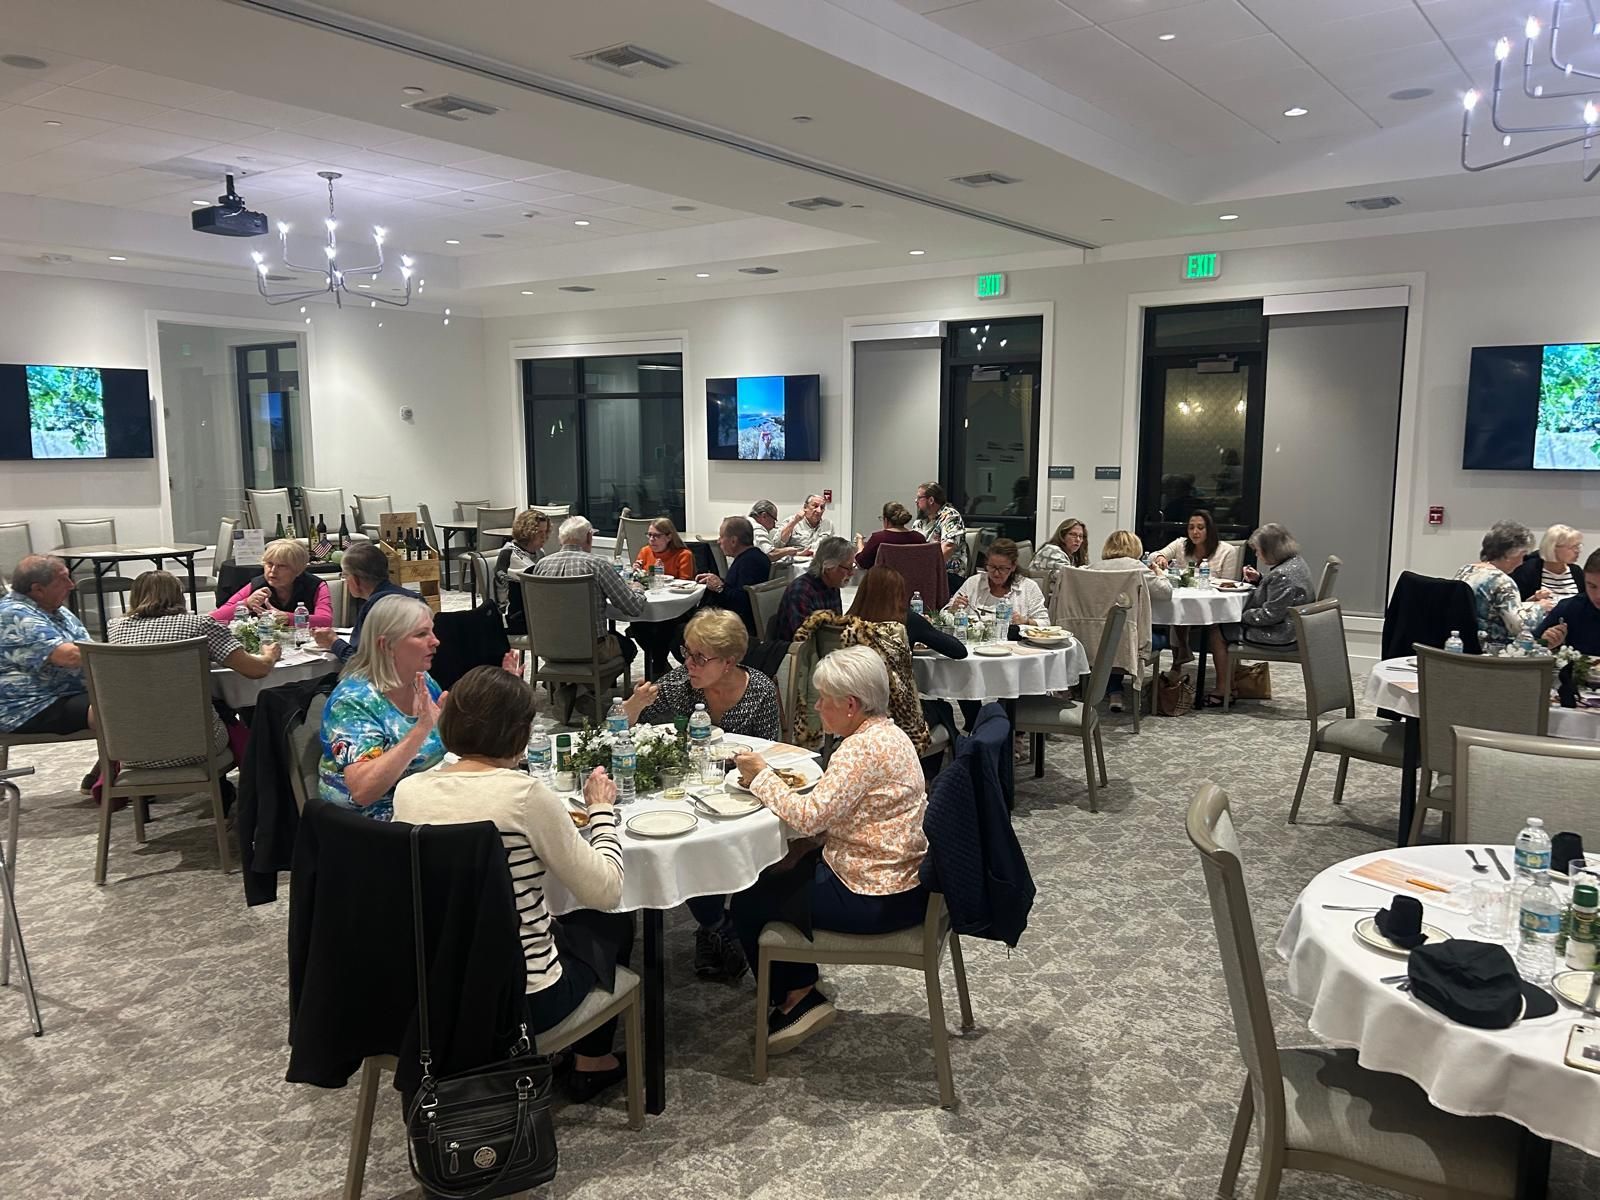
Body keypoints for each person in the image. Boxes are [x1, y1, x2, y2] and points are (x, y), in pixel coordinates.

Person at [393, 666, 632, 1101]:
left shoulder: (409, 792)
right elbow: (607, 890)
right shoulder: (524, 796)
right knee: (610, 921)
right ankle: (592, 1060)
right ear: (522, 735)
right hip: (521, 1002)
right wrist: (601, 811)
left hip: (432, 993)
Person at [728, 647, 929, 1054]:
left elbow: (809, 817)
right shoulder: (889, 733)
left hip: (875, 892)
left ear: (851, 705)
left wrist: (761, 777)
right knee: (779, 872)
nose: (817, 707)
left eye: (823, 699)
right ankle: (799, 979)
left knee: (748, 899)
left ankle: (798, 997)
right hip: (898, 872)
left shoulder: (859, 750)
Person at [619, 608, 782, 980]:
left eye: (699, 657)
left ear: (728, 662)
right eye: (686, 652)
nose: (687, 663)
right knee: (682, 841)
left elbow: (768, 754)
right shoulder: (678, 685)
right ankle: (717, 926)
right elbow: (620, 733)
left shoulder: (758, 690)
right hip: (686, 791)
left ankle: (720, 925)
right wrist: (634, 705)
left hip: (740, 795)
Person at [109, 570, 281, 767]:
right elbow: (255, 670)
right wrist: (270, 654)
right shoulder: (198, 625)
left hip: (130, 749)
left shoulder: (115, 628)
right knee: (226, 712)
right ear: (178, 595)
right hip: (197, 745)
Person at [318, 595, 449, 821]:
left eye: (432, 631)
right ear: (386, 645)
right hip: (373, 824)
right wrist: (421, 729)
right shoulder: (354, 701)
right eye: (421, 634)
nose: (435, 641)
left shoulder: (422, 680)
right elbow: (363, 791)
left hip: (424, 801)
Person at [848, 564, 965, 749]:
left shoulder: (847, 624)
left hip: (852, 712)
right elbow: (958, 651)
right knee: (943, 708)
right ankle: (928, 772)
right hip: (897, 716)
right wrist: (927, 629)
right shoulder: (906, 621)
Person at [1211, 524, 1314, 707]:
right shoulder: (1296, 563)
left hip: (1283, 633)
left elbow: (1269, 615)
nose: (1257, 555)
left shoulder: (1282, 575)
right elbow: (1280, 597)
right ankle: (1231, 684)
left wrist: (1239, 615)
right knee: (1226, 627)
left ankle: (1223, 689)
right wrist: (1260, 579)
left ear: (1270, 550)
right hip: (1296, 628)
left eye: (1258, 551)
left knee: (1218, 631)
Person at [0, 555, 94, 740]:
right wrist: (122, 659)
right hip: (30, 705)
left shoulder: (55, 609)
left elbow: (88, 649)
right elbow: (71, 656)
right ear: (38, 589)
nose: (71, 585)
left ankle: (110, 766)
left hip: (65, 694)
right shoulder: (14, 614)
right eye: (63, 579)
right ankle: (121, 765)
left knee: (127, 697)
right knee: (117, 710)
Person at [533, 515, 645, 670]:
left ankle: (569, 687)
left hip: (549, 648)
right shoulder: (597, 565)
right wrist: (638, 589)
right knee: (628, 647)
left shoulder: (541, 566)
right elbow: (632, 608)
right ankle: (585, 689)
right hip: (591, 648)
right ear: (589, 537)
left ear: (561, 539)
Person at [1089, 530, 1173, 712]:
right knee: (1162, 638)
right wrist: (1159, 572)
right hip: (1130, 643)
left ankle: (1114, 690)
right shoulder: (1137, 568)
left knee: (1112, 636)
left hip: (1093, 640)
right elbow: (1166, 592)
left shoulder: (1093, 568)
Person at [1453, 520, 1549, 650]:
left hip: (1463, 643)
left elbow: (1490, 609)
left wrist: (1529, 604)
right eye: (1522, 555)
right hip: (1491, 650)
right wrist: (1540, 607)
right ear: (1508, 554)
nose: (1522, 562)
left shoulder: (1466, 570)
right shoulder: (1502, 581)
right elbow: (1518, 627)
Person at [312, 541, 409, 661]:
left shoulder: (375, 607)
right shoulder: (414, 598)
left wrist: (333, 642)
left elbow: (360, 662)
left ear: (355, 580)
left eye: (345, 575)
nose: (345, 581)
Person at [629, 517, 698, 678]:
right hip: (651, 602)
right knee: (636, 624)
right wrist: (637, 572)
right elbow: (640, 580)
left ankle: (658, 666)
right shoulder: (645, 552)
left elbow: (686, 583)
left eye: (656, 536)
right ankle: (659, 664)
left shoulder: (683, 554)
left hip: (676, 605)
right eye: (649, 535)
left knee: (664, 628)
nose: (652, 539)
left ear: (669, 537)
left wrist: (662, 575)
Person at [212, 538, 333, 626]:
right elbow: (215, 618)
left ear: (298, 570)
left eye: (282, 566)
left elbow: (325, 621)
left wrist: (287, 618)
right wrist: (247, 603)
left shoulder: (315, 585)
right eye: (269, 564)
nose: (273, 571)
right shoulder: (257, 584)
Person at [945, 537, 1048, 626]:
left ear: (1013, 567)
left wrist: (1025, 621)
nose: (996, 573)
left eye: (1002, 568)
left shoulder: (1028, 587)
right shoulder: (973, 583)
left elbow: (1045, 623)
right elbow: (943, 614)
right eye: (992, 567)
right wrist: (953, 609)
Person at [695, 515, 770, 635]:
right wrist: (716, 580)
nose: (719, 541)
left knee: (678, 631)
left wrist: (719, 588)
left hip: (736, 628)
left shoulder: (749, 563)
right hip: (736, 620)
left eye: (721, 537)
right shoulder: (756, 556)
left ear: (734, 541)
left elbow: (742, 602)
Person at [774, 536, 854, 642]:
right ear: (828, 567)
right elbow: (804, 640)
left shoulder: (832, 585)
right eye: (848, 568)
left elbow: (834, 627)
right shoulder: (801, 591)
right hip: (796, 653)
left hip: (822, 647)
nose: (852, 573)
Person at [493, 510, 553, 635]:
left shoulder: (539, 552)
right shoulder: (510, 553)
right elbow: (537, 581)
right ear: (527, 533)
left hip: (532, 611)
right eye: (539, 532)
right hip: (513, 618)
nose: (544, 537)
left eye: (545, 532)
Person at [1537, 547, 1600, 656]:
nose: (1598, 595)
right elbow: (1529, 646)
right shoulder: (1571, 607)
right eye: (1592, 586)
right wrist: (1546, 643)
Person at [911, 481, 968, 597]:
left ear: (931, 500)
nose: (915, 501)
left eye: (919, 498)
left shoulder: (950, 516)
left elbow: (948, 547)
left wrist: (924, 569)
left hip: (948, 574)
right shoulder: (920, 521)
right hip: (925, 571)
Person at [1150, 510, 1240, 580]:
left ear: (1210, 530)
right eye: (1191, 528)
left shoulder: (1227, 551)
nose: (1195, 532)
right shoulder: (1180, 544)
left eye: (1200, 528)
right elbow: (1151, 556)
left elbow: (1227, 584)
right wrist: (1160, 557)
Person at [1512, 524, 1584, 601]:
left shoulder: (1577, 572)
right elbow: (1515, 605)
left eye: (1578, 546)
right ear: (1553, 547)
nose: (1577, 551)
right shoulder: (1528, 570)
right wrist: (1533, 601)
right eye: (1573, 547)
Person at [853, 501, 924, 570]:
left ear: (886, 520)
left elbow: (861, 563)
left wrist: (860, 541)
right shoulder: (920, 538)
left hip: (885, 581)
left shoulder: (878, 539)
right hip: (915, 582)